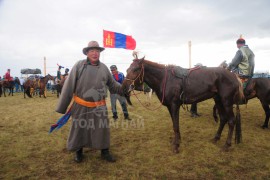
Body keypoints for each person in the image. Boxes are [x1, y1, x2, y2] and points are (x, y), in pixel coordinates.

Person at [56, 40, 124, 163]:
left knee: (102, 129)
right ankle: (78, 152)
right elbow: (69, 85)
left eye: (97, 51)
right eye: (92, 51)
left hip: (99, 106)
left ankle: (105, 151)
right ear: (87, 53)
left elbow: (113, 85)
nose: (94, 53)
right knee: (79, 129)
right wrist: (62, 106)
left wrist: (125, 87)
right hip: (80, 105)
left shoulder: (104, 68)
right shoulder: (79, 66)